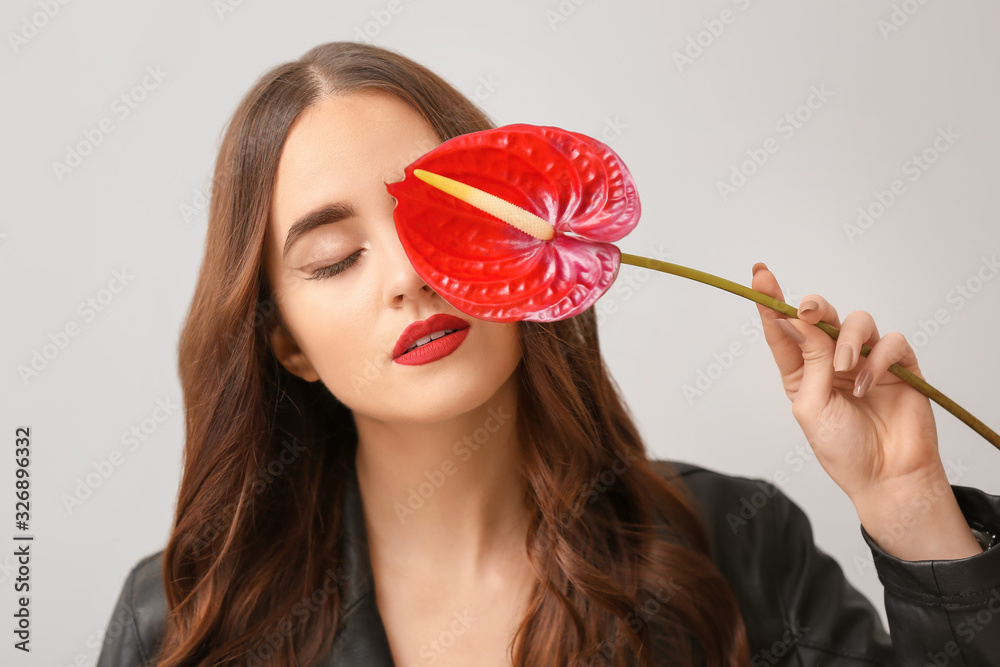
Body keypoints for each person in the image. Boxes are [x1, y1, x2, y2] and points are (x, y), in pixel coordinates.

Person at [95, 41, 1000, 667]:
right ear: (287, 342)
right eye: (335, 259)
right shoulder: (185, 617)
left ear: (528, 251)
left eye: (442, 223)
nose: (412, 275)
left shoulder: (732, 542)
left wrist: (909, 507)